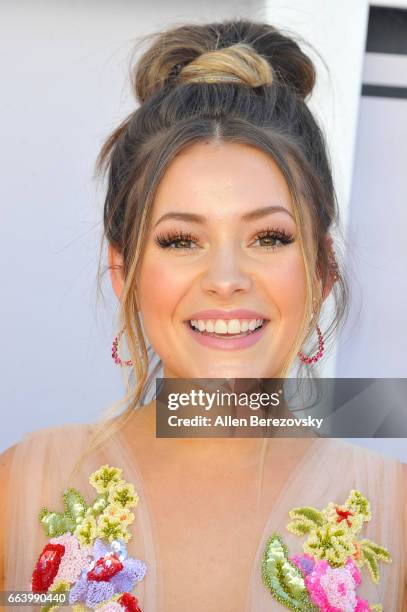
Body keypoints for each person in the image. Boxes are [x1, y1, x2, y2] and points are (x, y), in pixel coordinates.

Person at [1, 19, 406, 611]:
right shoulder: (22, 486)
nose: (225, 280)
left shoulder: (393, 513)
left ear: (321, 270)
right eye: (180, 240)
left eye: (268, 237)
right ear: (124, 271)